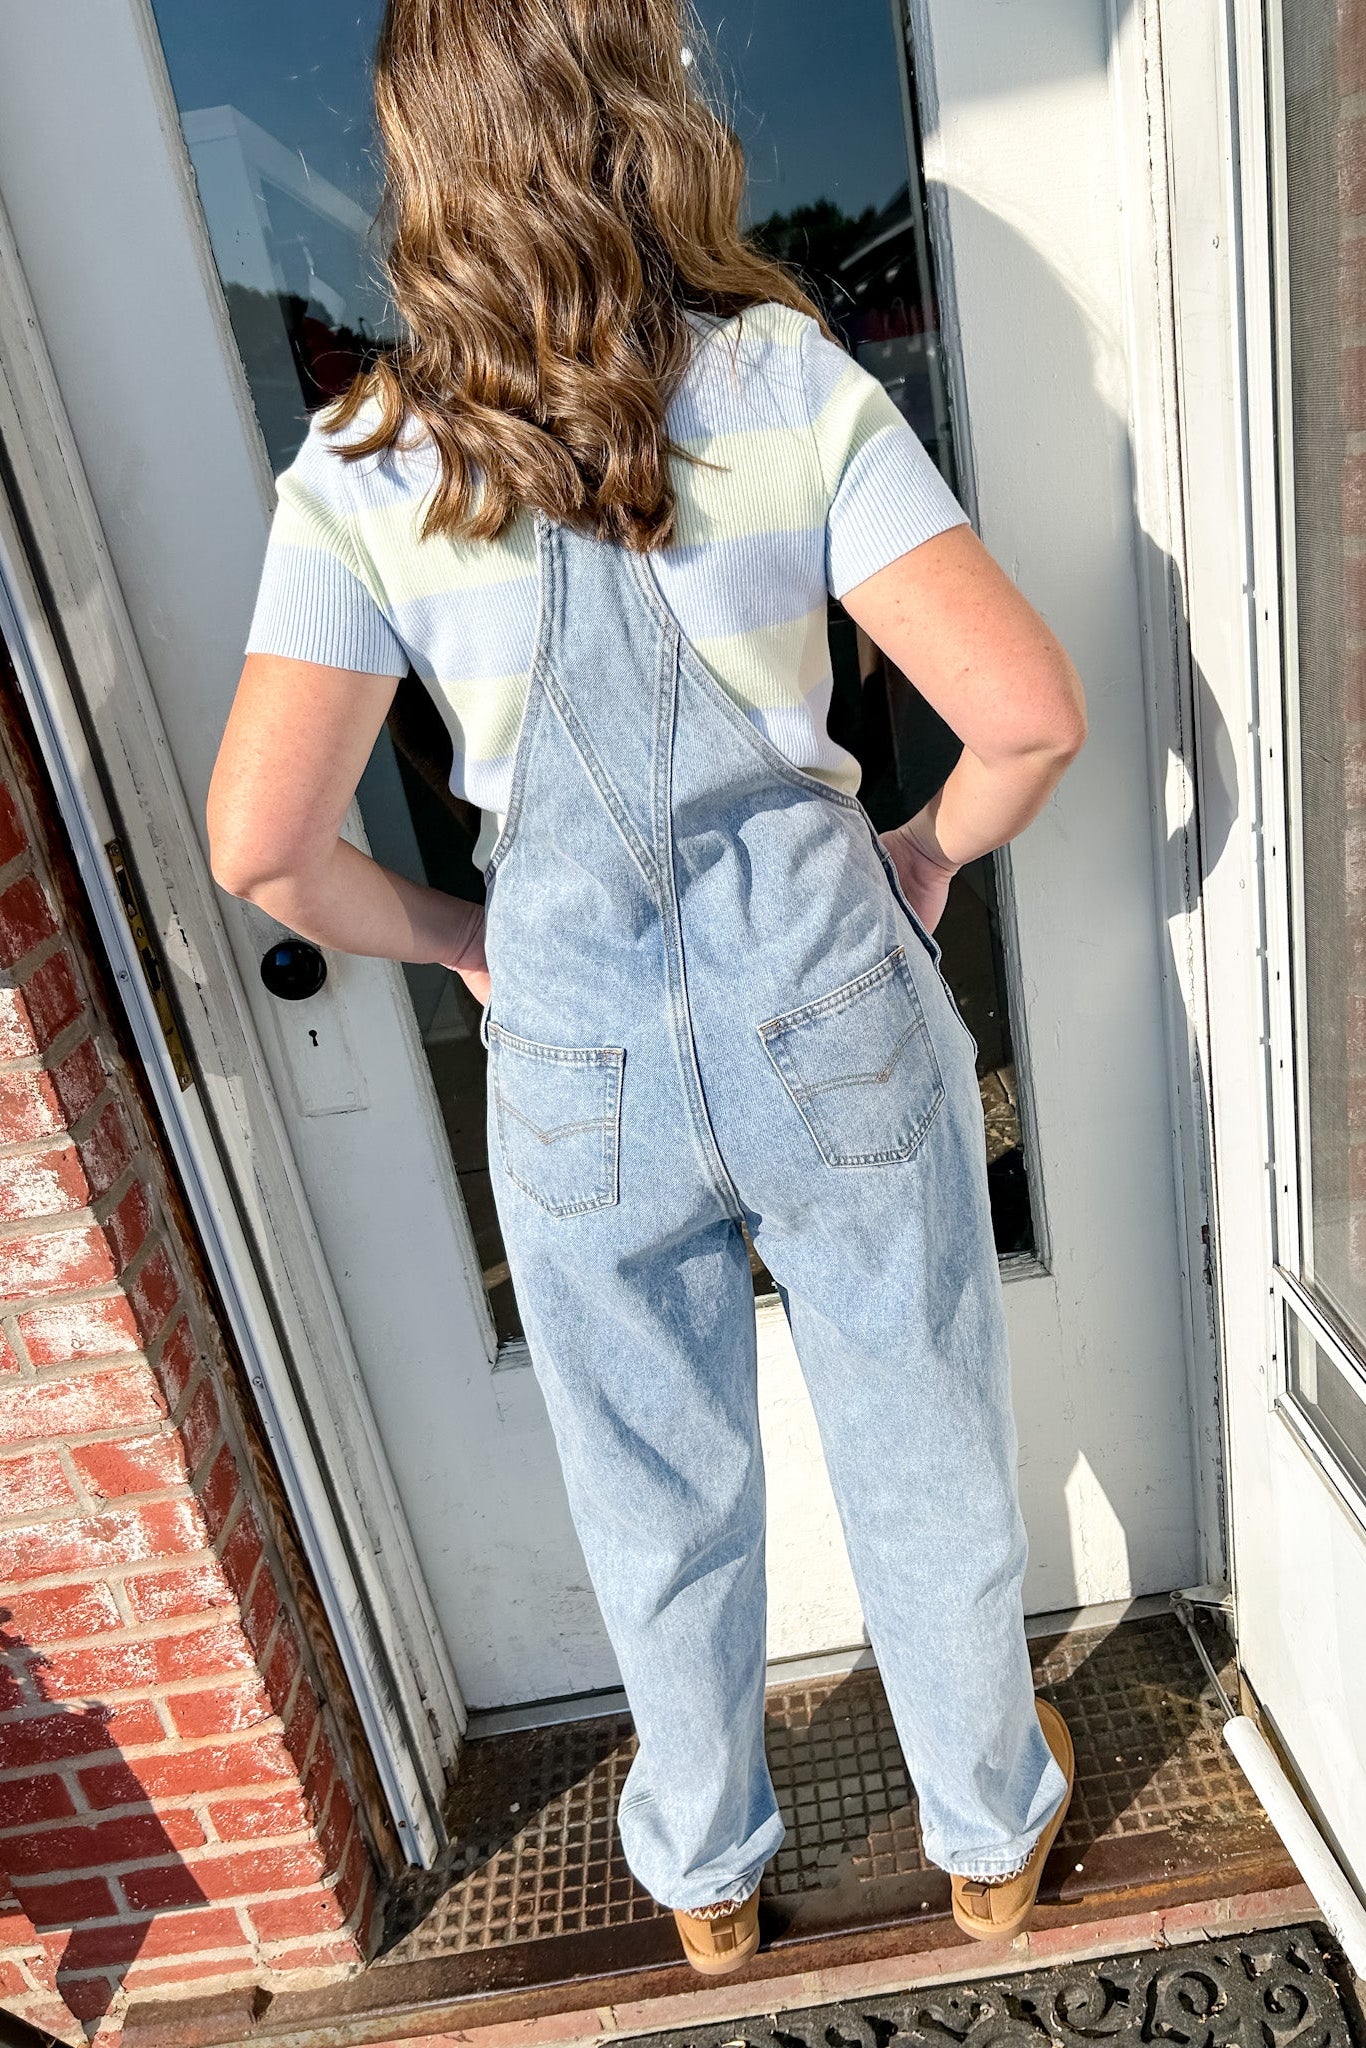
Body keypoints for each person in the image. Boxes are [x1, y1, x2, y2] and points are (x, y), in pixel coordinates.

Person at [206, 0, 1088, 1973]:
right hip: (823, 986)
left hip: (579, 1037)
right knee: (914, 1417)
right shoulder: (778, 380)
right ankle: (985, 1838)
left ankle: (700, 1872)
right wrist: (923, 853)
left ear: (423, 155)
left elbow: (258, 847)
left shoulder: (364, 459)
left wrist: (457, 940)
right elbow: (1024, 715)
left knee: (647, 1473)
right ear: (637, 123)